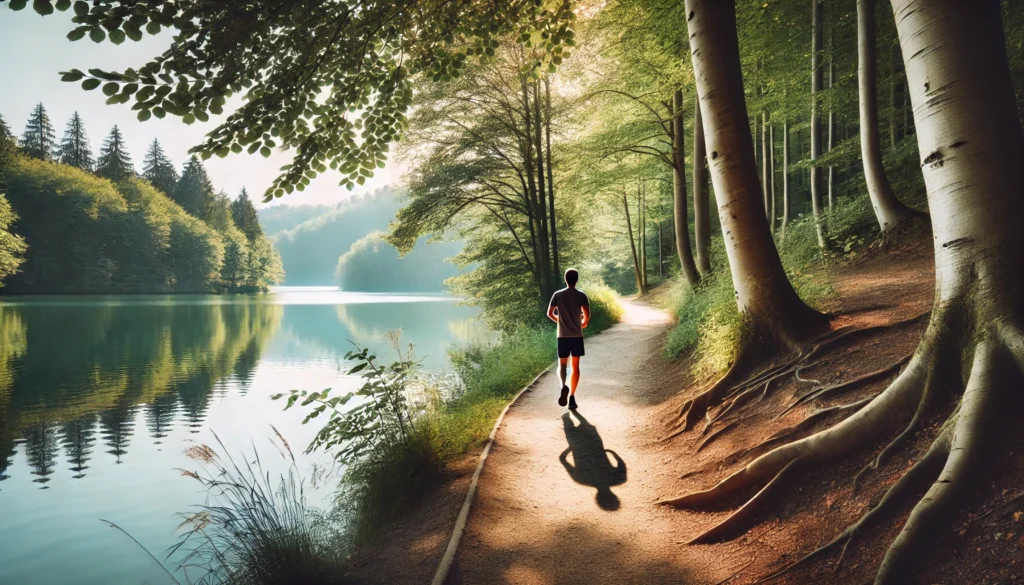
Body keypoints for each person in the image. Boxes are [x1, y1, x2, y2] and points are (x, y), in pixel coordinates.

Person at [546, 268, 590, 409]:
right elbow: (586, 315)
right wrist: (583, 322)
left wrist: (559, 320)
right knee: (575, 367)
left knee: (562, 366)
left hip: (562, 336)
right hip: (577, 336)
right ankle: (571, 397)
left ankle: (563, 386)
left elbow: (549, 313)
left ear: (565, 279)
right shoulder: (581, 295)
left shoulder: (557, 295)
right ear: (576, 280)